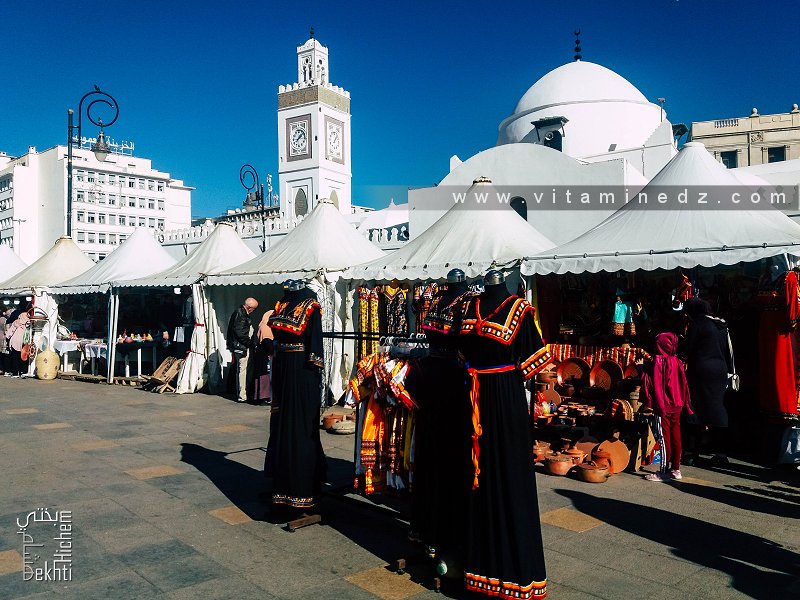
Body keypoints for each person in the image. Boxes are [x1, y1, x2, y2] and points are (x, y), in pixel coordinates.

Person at [264, 281, 327, 513]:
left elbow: (315, 343)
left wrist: (313, 368)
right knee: (282, 424)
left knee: (300, 427)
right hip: (282, 368)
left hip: (301, 370)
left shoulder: (311, 305)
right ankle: (281, 490)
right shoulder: (282, 304)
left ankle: (302, 490)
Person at [679, 297, 731, 467]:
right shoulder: (721, 325)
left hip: (700, 371)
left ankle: (690, 454)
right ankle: (721, 453)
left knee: (694, 409)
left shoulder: (698, 323)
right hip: (720, 371)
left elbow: (688, 349)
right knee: (717, 409)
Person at [640, 332, 692, 481]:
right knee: (676, 435)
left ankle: (663, 471)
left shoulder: (658, 362)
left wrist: (642, 368)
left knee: (663, 438)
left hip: (663, 405)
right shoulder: (677, 361)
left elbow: (653, 383)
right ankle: (676, 469)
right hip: (677, 404)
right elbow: (684, 384)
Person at [226, 297, 258, 402]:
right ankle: (242, 394)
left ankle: (240, 392)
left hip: (238, 345)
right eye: (254, 309)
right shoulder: (241, 315)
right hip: (242, 346)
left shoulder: (239, 312)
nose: (254, 311)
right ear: (249, 307)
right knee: (242, 370)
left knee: (240, 370)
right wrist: (250, 344)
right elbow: (240, 333)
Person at [247, 309, 274, 405]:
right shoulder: (265, 328)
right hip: (264, 355)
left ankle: (261, 397)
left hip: (262, 354)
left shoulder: (263, 326)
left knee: (262, 376)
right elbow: (267, 343)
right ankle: (262, 397)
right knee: (263, 376)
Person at [5, 309, 31, 378]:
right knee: (23, 357)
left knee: (15, 358)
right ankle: (23, 371)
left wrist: (7, 338)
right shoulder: (29, 324)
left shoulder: (16, 322)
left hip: (15, 342)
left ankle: (15, 373)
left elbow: (10, 333)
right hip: (24, 343)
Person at [0, 308, 9, 375]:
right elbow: (6, 329)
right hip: (2, 337)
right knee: (3, 355)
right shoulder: (4, 320)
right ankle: (3, 369)